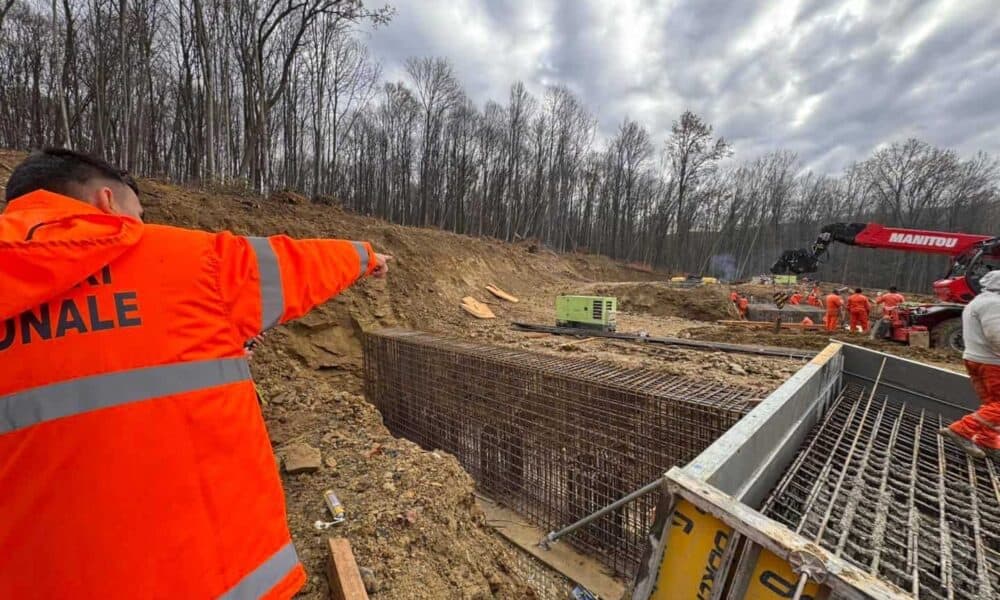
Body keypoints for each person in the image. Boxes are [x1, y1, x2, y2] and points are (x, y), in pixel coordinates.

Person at [0, 149, 391, 598]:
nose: (141, 224)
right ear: (107, 201)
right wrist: (364, 256)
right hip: (214, 578)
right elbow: (297, 265)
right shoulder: (187, 260)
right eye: (138, 213)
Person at [940, 271, 1000, 460]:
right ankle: (962, 430)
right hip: (992, 363)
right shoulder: (994, 304)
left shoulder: (977, 301)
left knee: (991, 405)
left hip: (976, 359)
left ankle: (987, 440)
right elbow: (996, 334)